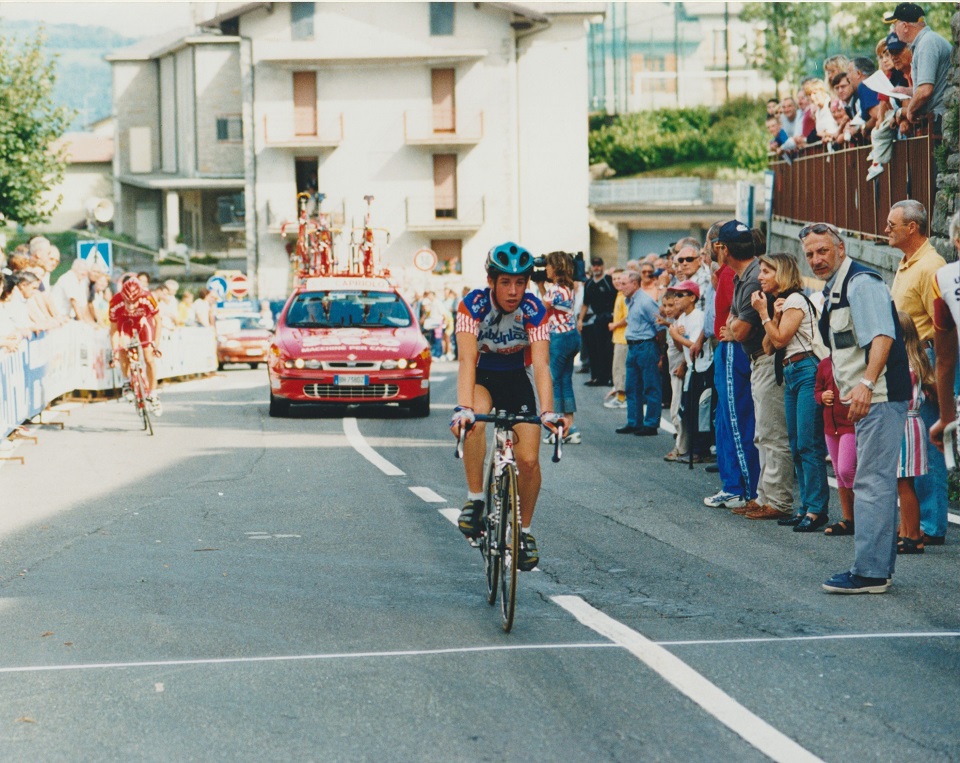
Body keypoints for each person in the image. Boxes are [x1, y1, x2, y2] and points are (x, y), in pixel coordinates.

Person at [803, 222, 910, 594]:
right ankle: (877, 567)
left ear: (841, 248)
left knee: (872, 483)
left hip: (878, 397)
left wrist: (865, 384)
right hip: (867, 399)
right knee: (873, 482)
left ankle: (870, 574)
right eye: (810, 254)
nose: (816, 259)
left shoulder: (861, 283)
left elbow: (882, 336)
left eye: (822, 251)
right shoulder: (837, 287)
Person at [450, 242, 566, 572]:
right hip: (482, 376)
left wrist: (547, 412)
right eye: (505, 282)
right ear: (491, 281)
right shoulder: (471, 305)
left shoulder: (533, 309)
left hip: (516, 378)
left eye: (520, 282)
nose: (513, 291)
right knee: (475, 421)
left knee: (528, 460)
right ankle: (475, 500)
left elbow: (542, 365)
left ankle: (525, 533)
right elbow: (467, 360)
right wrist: (463, 408)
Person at [721, 221, 794, 520]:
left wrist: (737, 324)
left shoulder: (753, 280)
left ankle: (778, 500)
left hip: (767, 360)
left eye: (767, 271)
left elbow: (738, 330)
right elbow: (730, 323)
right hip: (756, 359)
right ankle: (764, 495)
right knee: (762, 432)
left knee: (773, 432)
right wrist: (734, 324)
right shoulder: (744, 277)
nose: (762, 276)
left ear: (722, 249)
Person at [751, 253, 829, 531]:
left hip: (806, 369)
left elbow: (781, 338)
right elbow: (769, 346)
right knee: (795, 443)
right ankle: (806, 506)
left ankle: (817, 509)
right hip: (790, 372)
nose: (760, 277)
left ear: (781, 273)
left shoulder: (795, 299)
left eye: (766, 271)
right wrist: (772, 315)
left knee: (808, 444)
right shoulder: (782, 304)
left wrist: (763, 314)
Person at [887, 200, 948, 546]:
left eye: (892, 224)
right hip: (911, 358)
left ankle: (931, 523)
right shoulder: (909, 263)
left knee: (928, 443)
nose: (887, 230)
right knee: (917, 444)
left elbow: (942, 327)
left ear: (912, 227)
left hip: (923, 359)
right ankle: (919, 521)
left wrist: (933, 374)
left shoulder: (931, 267)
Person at [703, 222, 760, 510]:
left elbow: (737, 326)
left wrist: (732, 329)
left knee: (736, 420)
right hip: (732, 348)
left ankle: (742, 488)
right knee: (728, 420)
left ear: (723, 248)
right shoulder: (737, 274)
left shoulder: (741, 275)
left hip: (736, 351)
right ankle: (738, 486)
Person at [895, 311, 932, 554]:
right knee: (903, 481)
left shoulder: (905, 366)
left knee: (905, 482)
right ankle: (908, 530)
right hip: (910, 423)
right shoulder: (915, 361)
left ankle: (913, 535)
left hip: (905, 423)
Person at [885, 2, 952, 134]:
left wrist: (910, 109)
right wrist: (906, 91)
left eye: (894, 25)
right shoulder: (927, 41)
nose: (894, 31)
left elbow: (925, 90)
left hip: (941, 118)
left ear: (905, 26)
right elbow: (931, 86)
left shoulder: (927, 43)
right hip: (940, 117)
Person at [538, 251, 581, 445]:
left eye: (548, 265)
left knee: (552, 381)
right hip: (571, 336)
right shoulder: (567, 287)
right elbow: (551, 307)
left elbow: (540, 310)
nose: (545, 268)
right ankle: (569, 426)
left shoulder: (555, 290)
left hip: (559, 338)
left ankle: (556, 427)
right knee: (565, 381)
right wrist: (540, 286)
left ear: (555, 267)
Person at [667, 280, 713, 462]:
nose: (676, 299)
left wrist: (676, 336)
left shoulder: (699, 316)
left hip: (703, 366)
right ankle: (692, 448)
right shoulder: (682, 318)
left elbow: (696, 346)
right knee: (688, 410)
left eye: (680, 295)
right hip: (691, 367)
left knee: (700, 410)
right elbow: (681, 348)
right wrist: (676, 336)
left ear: (692, 297)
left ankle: (701, 450)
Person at [616, 270, 663, 436]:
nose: (620, 287)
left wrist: (661, 353)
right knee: (631, 386)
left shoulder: (645, 302)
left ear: (634, 284)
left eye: (623, 283)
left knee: (651, 386)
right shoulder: (630, 300)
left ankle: (651, 424)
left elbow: (660, 325)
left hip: (646, 345)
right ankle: (634, 421)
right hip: (633, 346)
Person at [815, 358, 857, 535]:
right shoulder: (825, 364)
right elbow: (817, 390)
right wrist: (822, 396)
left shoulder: (854, 362)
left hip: (849, 424)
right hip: (830, 427)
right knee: (839, 472)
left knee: (847, 470)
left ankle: (865, 515)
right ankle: (849, 518)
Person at [109, 277, 162, 415]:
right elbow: (114, 330)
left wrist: (156, 343)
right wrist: (115, 350)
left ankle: (153, 394)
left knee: (149, 358)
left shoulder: (148, 298)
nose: (131, 306)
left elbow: (158, 321)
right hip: (124, 322)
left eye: (134, 302)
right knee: (122, 347)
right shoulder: (115, 302)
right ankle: (126, 381)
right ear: (123, 297)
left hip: (144, 322)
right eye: (127, 302)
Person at [578, 256, 616, 387]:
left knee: (608, 349)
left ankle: (609, 377)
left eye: (599, 265)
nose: (596, 267)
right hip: (596, 319)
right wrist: (580, 320)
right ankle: (597, 377)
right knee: (594, 349)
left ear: (603, 266)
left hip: (610, 318)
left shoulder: (608, 281)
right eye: (594, 265)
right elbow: (585, 304)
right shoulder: (589, 283)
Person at [604, 269, 629, 410]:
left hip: (623, 338)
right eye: (614, 279)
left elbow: (628, 316)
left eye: (620, 278)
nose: (617, 282)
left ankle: (621, 398)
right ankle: (620, 395)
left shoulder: (625, 297)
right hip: (618, 338)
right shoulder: (619, 294)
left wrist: (615, 325)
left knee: (620, 369)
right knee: (617, 368)